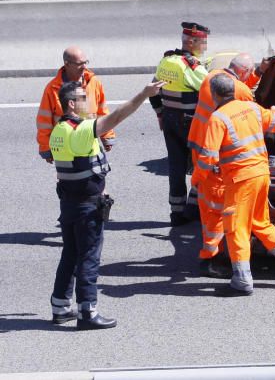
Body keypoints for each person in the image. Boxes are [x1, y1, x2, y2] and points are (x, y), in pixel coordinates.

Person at [49, 79, 165, 329]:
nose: (89, 102)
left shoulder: (59, 130)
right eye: (83, 98)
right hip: (87, 207)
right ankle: (87, 312)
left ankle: (60, 306)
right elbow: (118, 116)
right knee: (89, 258)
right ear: (71, 104)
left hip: (69, 204)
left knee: (70, 254)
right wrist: (144, 94)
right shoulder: (80, 131)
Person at [202, 75, 275, 296]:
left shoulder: (217, 118)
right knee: (261, 222)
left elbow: (207, 157)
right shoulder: (252, 108)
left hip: (240, 181)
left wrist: (199, 177)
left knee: (236, 228)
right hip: (261, 174)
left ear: (214, 94)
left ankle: (242, 280)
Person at [186, 53, 261, 279]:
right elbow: (253, 115)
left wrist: (256, 73)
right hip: (215, 156)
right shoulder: (241, 92)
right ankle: (210, 259)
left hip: (200, 145)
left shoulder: (212, 78)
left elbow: (238, 86)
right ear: (243, 74)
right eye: (249, 74)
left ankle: (210, 251)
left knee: (208, 205)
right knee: (216, 211)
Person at [150, 22, 210, 226]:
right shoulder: (192, 66)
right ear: (192, 42)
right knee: (201, 165)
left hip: (169, 120)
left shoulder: (167, 60)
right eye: (203, 43)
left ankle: (176, 212)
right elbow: (213, 89)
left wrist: (160, 113)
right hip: (190, 123)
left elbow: (153, 90)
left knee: (175, 167)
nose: (205, 47)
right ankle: (193, 209)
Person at [37, 47, 115, 164]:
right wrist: (46, 148)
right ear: (67, 64)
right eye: (80, 64)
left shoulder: (94, 83)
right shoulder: (52, 88)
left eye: (85, 62)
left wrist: (106, 135)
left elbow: (102, 111)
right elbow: (44, 121)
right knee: (70, 178)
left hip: (89, 142)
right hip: (66, 146)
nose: (84, 67)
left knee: (94, 177)